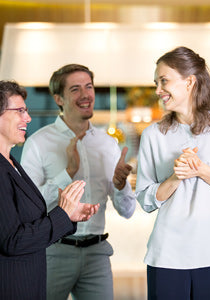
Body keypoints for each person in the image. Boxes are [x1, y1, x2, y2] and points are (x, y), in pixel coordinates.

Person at [135, 46, 210, 300]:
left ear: (189, 82)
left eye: (164, 81)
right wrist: (175, 177)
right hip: (167, 256)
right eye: (156, 82)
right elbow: (145, 201)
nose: (158, 90)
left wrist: (202, 170)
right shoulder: (153, 135)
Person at [20, 64, 136, 300]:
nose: (85, 95)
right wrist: (68, 172)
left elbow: (128, 211)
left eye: (89, 86)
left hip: (97, 255)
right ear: (58, 98)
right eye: (75, 89)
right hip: (52, 252)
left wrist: (121, 184)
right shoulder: (38, 143)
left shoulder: (108, 144)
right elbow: (27, 207)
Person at [0, 80, 99, 300]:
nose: (28, 118)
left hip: (28, 284)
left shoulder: (12, 164)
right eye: (20, 111)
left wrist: (68, 216)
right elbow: (12, 241)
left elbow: (30, 225)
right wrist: (62, 214)